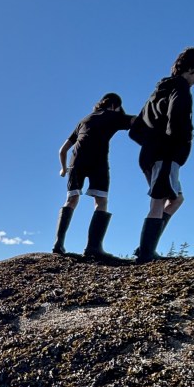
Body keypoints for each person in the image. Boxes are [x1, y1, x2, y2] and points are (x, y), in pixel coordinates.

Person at [129, 47, 194, 263]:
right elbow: (177, 121)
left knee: (176, 199)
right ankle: (146, 254)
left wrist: (150, 144)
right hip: (165, 153)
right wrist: (179, 146)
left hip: (149, 154)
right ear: (191, 68)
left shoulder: (157, 92)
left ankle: (146, 247)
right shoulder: (181, 88)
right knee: (159, 202)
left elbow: (135, 130)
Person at [54, 93, 134, 261]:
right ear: (114, 106)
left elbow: (62, 150)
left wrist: (63, 169)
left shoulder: (83, 120)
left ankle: (58, 244)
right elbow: (136, 121)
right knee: (101, 202)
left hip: (76, 162)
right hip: (98, 162)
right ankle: (93, 247)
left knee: (71, 200)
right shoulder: (113, 115)